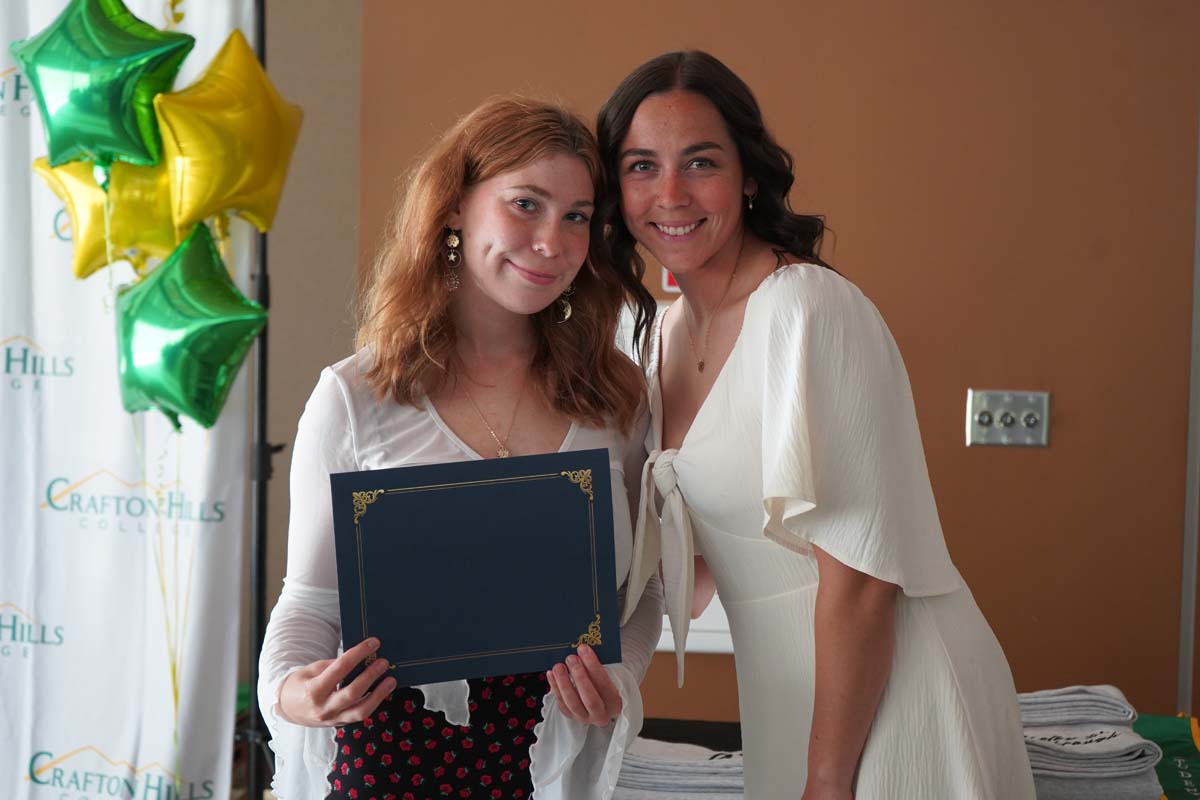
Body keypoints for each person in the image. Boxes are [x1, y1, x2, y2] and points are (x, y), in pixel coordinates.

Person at [598, 51, 1036, 800]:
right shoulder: (657, 336)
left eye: (699, 162)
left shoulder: (807, 310)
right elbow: (696, 572)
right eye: (641, 166)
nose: (669, 194)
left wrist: (827, 781)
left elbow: (862, 580)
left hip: (892, 700)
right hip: (786, 705)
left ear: (751, 176)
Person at [257, 96, 664, 800]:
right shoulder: (356, 397)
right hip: (385, 768)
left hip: (551, 770)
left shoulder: (615, 396)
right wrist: (294, 695)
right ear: (454, 207)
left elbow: (642, 592)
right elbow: (309, 603)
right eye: (525, 204)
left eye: (576, 216)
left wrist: (621, 677)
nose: (552, 242)